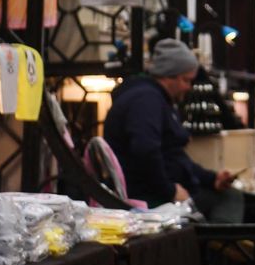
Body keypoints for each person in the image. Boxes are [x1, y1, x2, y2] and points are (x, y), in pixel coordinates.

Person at [103, 39, 240, 220]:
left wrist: (211, 178)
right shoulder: (146, 100)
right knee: (231, 198)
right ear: (168, 75)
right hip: (149, 199)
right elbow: (145, 152)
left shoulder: (154, 98)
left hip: (161, 191)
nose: (188, 87)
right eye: (186, 80)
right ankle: (218, 244)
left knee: (229, 195)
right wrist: (170, 191)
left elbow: (174, 155)